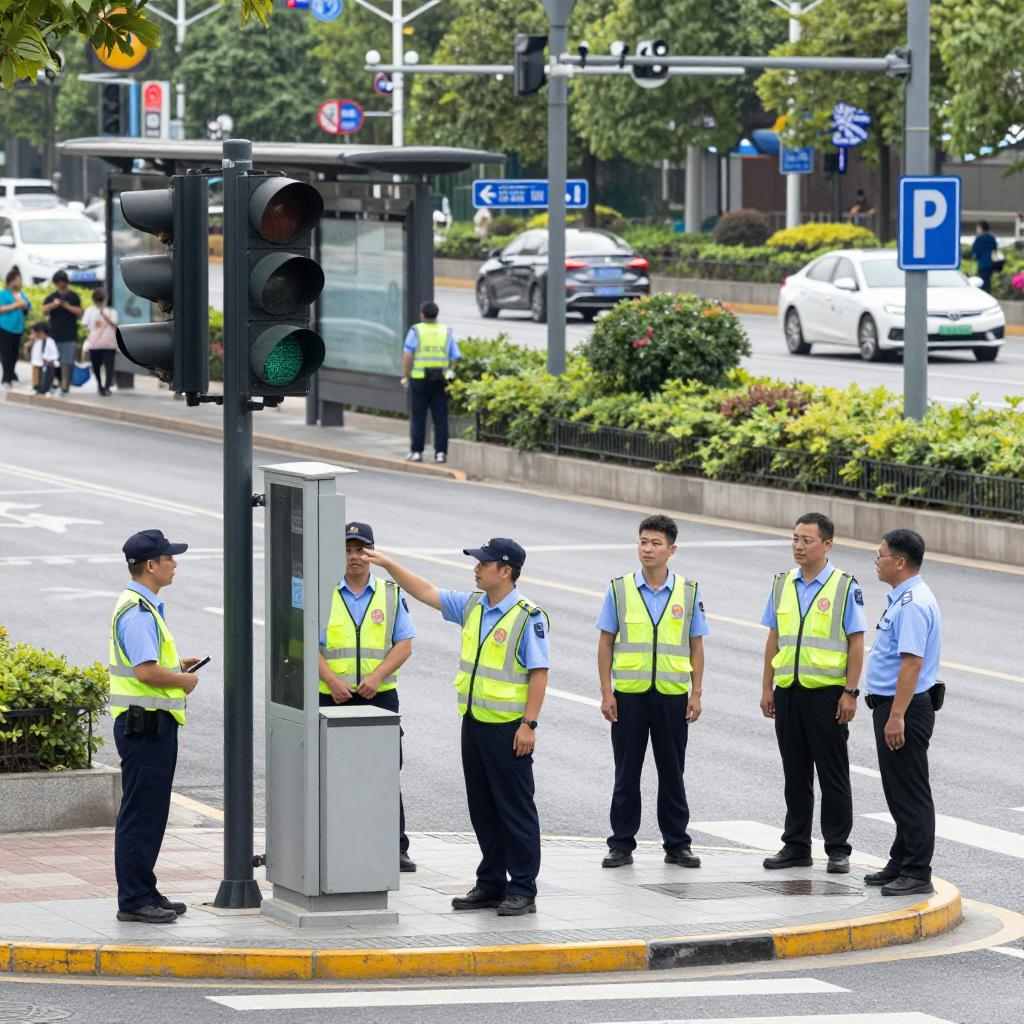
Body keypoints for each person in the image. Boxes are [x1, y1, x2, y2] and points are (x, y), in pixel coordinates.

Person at [368, 538, 548, 916]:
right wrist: (387, 563)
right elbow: (427, 592)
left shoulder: (526, 616)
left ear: (505, 570)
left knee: (514, 810)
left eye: (483, 563)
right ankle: (491, 883)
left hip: (509, 728)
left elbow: (539, 672)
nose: (476, 567)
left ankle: (522, 888)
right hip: (474, 722)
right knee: (482, 808)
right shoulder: (474, 606)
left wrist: (529, 724)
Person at [597, 514, 708, 870]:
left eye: (655, 543)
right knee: (626, 772)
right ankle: (621, 844)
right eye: (643, 541)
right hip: (629, 695)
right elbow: (605, 642)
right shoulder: (619, 589)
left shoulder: (688, 592)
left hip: (672, 695)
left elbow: (696, 645)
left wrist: (697, 693)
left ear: (671, 550)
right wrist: (606, 692)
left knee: (672, 772)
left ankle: (677, 844)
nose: (647, 548)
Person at [759, 512, 866, 874]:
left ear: (827, 545)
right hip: (788, 690)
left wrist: (850, 692)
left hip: (827, 694)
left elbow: (856, 642)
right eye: (795, 539)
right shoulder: (781, 583)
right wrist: (767, 687)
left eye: (807, 540)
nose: (799, 547)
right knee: (795, 772)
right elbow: (774, 637)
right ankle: (796, 845)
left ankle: (838, 848)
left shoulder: (843, 586)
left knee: (832, 772)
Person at [108, 529, 202, 924]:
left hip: (148, 725)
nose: (174, 563)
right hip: (144, 727)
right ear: (151, 565)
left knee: (150, 811)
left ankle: (144, 889)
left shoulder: (143, 607)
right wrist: (184, 681)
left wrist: (177, 668)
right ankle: (133, 898)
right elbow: (146, 673)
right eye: (169, 558)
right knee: (141, 814)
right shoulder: (138, 613)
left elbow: (145, 665)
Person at [318, 522, 418, 872]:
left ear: (373, 554)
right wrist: (330, 679)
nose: (354, 557)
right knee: (332, 773)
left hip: (380, 696)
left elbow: (404, 643)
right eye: (347, 550)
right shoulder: (323, 593)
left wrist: (376, 676)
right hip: (333, 697)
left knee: (385, 772)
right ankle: (338, 842)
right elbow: (305, 643)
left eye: (361, 550)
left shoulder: (389, 594)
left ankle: (396, 847)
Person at [865, 529, 942, 897]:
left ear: (899, 561)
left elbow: (911, 663)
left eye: (879, 555)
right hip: (895, 705)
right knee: (897, 790)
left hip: (904, 708)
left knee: (909, 791)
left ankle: (917, 871)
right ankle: (901, 860)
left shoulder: (911, 603)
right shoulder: (904, 597)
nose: (876, 561)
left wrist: (897, 715)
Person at [401, 301, 460, 464]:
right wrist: (450, 371)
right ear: (436, 315)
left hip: (419, 379)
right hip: (440, 380)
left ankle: (417, 452)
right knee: (440, 418)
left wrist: (406, 375)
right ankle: (440, 453)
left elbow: (407, 355)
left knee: (418, 416)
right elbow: (455, 356)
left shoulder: (416, 331)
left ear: (422, 314)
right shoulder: (446, 331)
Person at [42, 270, 82, 396]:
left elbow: (79, 312)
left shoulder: (73, 296)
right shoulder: (51, 297)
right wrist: (54, 304)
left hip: (69, 334)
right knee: (54, 361)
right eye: (58, 282)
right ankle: (55, 383)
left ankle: (65, 386)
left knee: (67, 362)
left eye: (62, 282)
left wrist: (66, 306)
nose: (60, 284)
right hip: (54, 334)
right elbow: (43, 310)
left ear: (66, 282)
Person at [82, 288, 118, 396]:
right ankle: (102, 386)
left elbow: (85, 325)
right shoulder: (91, 311)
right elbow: (85, 325)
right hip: (102, 343)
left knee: (103, 366)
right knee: (104, 366)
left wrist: (103, 315)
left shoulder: (110, 311)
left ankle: (104, 387)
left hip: (102, 343)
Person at [0, 267, 30, 389]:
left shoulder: (21, 294)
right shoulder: (3, 294)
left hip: (18, 328)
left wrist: (23, 305)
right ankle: (6, 379)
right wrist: (15, 305)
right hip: (5, 327)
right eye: (18, 279)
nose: (20, 282)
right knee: (6, 354)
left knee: (14, 354)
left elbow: (27, 307)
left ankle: (11, 375)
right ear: (11, 281)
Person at [28, 321, 59, 395]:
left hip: (46, 363)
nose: (33, 335)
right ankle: (36, 387)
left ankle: (47, 388)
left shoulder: (50, 341)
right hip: (37, 362)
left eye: (34, 333)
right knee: (36, 375)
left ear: (41, 332)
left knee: (46, 377)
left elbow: (55, 354)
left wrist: (47, 358)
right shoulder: (37, 341)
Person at [971, 222, 999, 294]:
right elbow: (995, 250)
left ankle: (984, 297)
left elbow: (975, 252)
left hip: (982, 264)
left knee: (982, 282)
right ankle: (989, 294)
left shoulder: (979, 238)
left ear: (981, 228)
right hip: (991, 264)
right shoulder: (992, 238)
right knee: (987, 281)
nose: (977, 230)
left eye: (977, 228)